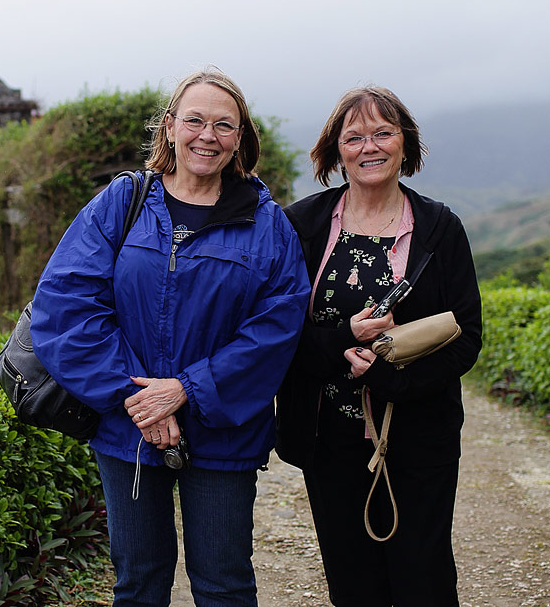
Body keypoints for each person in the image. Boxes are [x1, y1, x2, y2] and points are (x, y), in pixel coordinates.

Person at [31, 68, 310, 607]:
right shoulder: (124, 203)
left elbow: (276, 328)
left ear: (241, 139)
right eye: (196, 120)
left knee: (224, 583)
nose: (208, 135)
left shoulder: (267, 224)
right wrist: (138, 398)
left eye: (224, 125)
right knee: (137, 581)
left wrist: (185, 389)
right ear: (170, 127)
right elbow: (67, 305)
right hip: (127, 427)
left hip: (224, 430)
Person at [276, 86, 482, 607]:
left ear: (404, 144)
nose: (369, 146)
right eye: (354, 137)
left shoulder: (439, 227)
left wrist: (391, 378)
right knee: (352, 581)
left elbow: (467, 337)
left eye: (383, 133)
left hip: (421, 434)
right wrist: (344, 340)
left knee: (424, 577)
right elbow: (276, 335)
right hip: (329, 437)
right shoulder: (302, 225)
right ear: (335, 150)